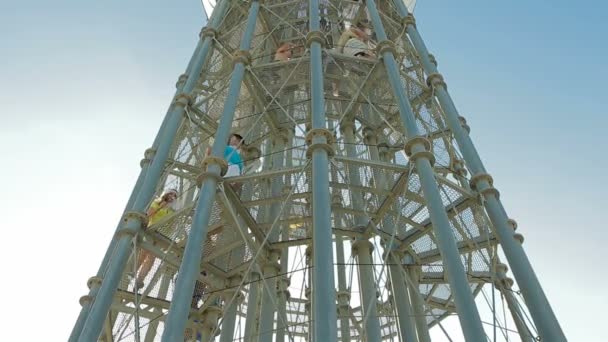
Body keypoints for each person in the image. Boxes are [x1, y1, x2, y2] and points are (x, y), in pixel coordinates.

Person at [134, 189, 179, 289]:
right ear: (166, 194)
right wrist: (162, 206)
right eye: (171, 194)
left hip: (161, 235)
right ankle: (133, 271)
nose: (173, 197)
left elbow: (172, 225)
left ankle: (139, 280)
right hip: (151, 231)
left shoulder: (171, 211)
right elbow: (149, 214)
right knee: (143, 254)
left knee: (151, 260)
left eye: (175, 196)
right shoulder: (157, 203)